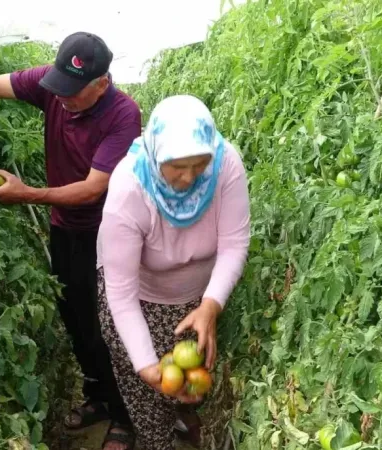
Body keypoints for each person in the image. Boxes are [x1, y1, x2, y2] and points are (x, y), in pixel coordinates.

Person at [0, 31, 141, 450]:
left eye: (73, 92)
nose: (62, 99)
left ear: (102, 82)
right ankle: (98, 397)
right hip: (65, 228)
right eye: (59, 87)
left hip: (110, 232)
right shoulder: (55, 86)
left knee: (109, 326)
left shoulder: (122, 114)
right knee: (75, 317)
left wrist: (26, 194)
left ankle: (125, 416)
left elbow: (93, 188)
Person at [96, 95, 251, 450]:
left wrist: (210, 306)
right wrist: (147, 365)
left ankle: (187, 420)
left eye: (199, 164)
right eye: (177, 166)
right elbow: (120, 295)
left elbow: (234, 243)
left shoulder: (225, 164)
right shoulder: (128, 190)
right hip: (138, 305)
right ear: (155, 154)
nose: (189, 176)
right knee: (149, 404)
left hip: (197, 302)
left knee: (191, 386)